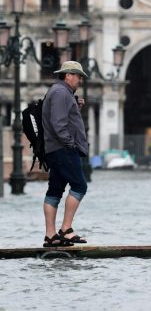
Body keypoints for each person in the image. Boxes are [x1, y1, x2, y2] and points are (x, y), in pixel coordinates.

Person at [42, 61, 90, 247]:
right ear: (68, 75)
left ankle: (51, 236)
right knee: (80, 186)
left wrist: (75, 106)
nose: (80, 80)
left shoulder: (60, 92)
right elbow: (59, 123)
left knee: (55, 190)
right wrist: (70, 144)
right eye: (78, 76)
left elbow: (62, 118)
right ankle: (66, 229)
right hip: (62, 149)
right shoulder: (61, 93)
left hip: (55, 148)